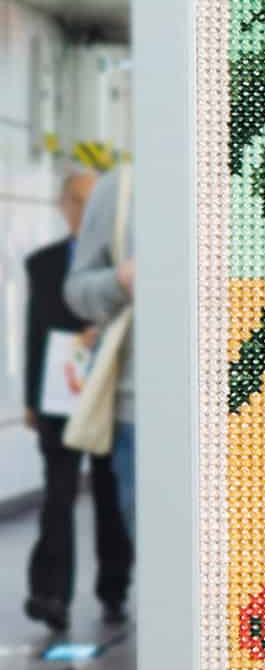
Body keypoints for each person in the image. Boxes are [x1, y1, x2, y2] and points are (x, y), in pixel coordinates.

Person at [23, 170, 133, 632]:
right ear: (65, 206)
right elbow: (34, 332)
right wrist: (31, 399)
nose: (89, 214)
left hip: (108, 390)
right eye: (81, 203)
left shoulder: (121, 258)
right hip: (59, 394)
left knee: (109, 494)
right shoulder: (43, 263)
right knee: (58, 495)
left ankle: (113, 588)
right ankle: (50, 594)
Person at [64, 163, 136, 542]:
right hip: (141, 414)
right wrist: (120, 280)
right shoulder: (121, 188)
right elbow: (77, 289)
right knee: (162, 557)